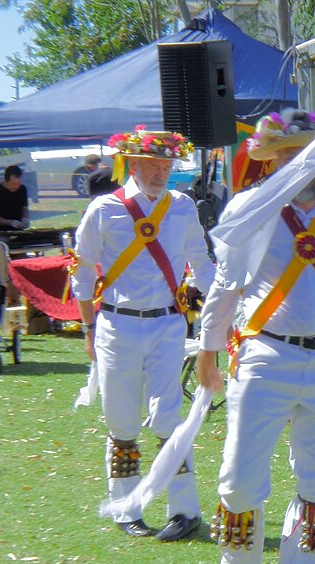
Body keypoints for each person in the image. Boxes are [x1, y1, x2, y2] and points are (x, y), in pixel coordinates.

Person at [193, 109, 315, 564]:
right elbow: (225, 283)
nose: (304, 161)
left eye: (313, 150)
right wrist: (207, 348)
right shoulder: (250, 207)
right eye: (292, 152)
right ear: (275, 158)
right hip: (268, 354)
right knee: (240, 476)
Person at [70, 125, 214, 541]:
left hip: (169, 323)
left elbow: (201, 263)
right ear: (131, 163)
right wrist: (87, 326)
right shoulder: (103, 209)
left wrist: (226, 307)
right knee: (122, 419)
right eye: (152, 163)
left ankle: (185, 510)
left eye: (166, 164)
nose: (160, 172)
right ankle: (126, 506)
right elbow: (81, 270)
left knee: (169, 416)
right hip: (116, 324)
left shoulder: (183, 206)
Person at [0, 165, 30, 231]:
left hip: (18, 230)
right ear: (5, 181)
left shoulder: (22, 189)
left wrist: (25, 219)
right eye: (12, 184)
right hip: (0, 231)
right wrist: (10, 222)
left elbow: (25, 208)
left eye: (18, 183)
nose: (16, 187)